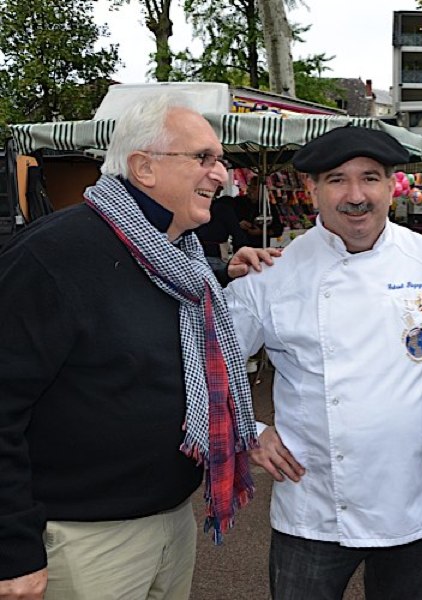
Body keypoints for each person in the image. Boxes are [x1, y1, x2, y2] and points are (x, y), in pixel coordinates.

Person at [224, 126, 422, 600]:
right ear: (312, 190)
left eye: (371, 178)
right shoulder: (273, 275)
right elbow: (210, 365)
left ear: (391, 185)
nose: (356, 195)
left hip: (412, 498)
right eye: (337, 180)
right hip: (312, 506)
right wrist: (249, 432)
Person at [0, 96, 270, 600]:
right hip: (84, 542)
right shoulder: (53, 255)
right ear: (144, 168)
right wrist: (11, 546)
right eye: (204, 159)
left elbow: (131, 307)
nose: (223, 176)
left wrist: (221, 271)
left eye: (221, 159)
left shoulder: (180, 261)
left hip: (171, 524)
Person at [195, 192, 250, 284]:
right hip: (216, 254)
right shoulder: (225, 209)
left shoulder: (198, 207)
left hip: (196, 254)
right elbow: (238, 235)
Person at [232, 176, 284, 247]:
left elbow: (278, 230)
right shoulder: (238, 202)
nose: (249, 190)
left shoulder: (268, 206)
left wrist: (261, 232)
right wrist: (238, 223)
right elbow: (228, 221)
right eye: (249, 187)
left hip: (261, 247)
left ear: (262, 191)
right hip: (241, 247)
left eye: (253, 189)